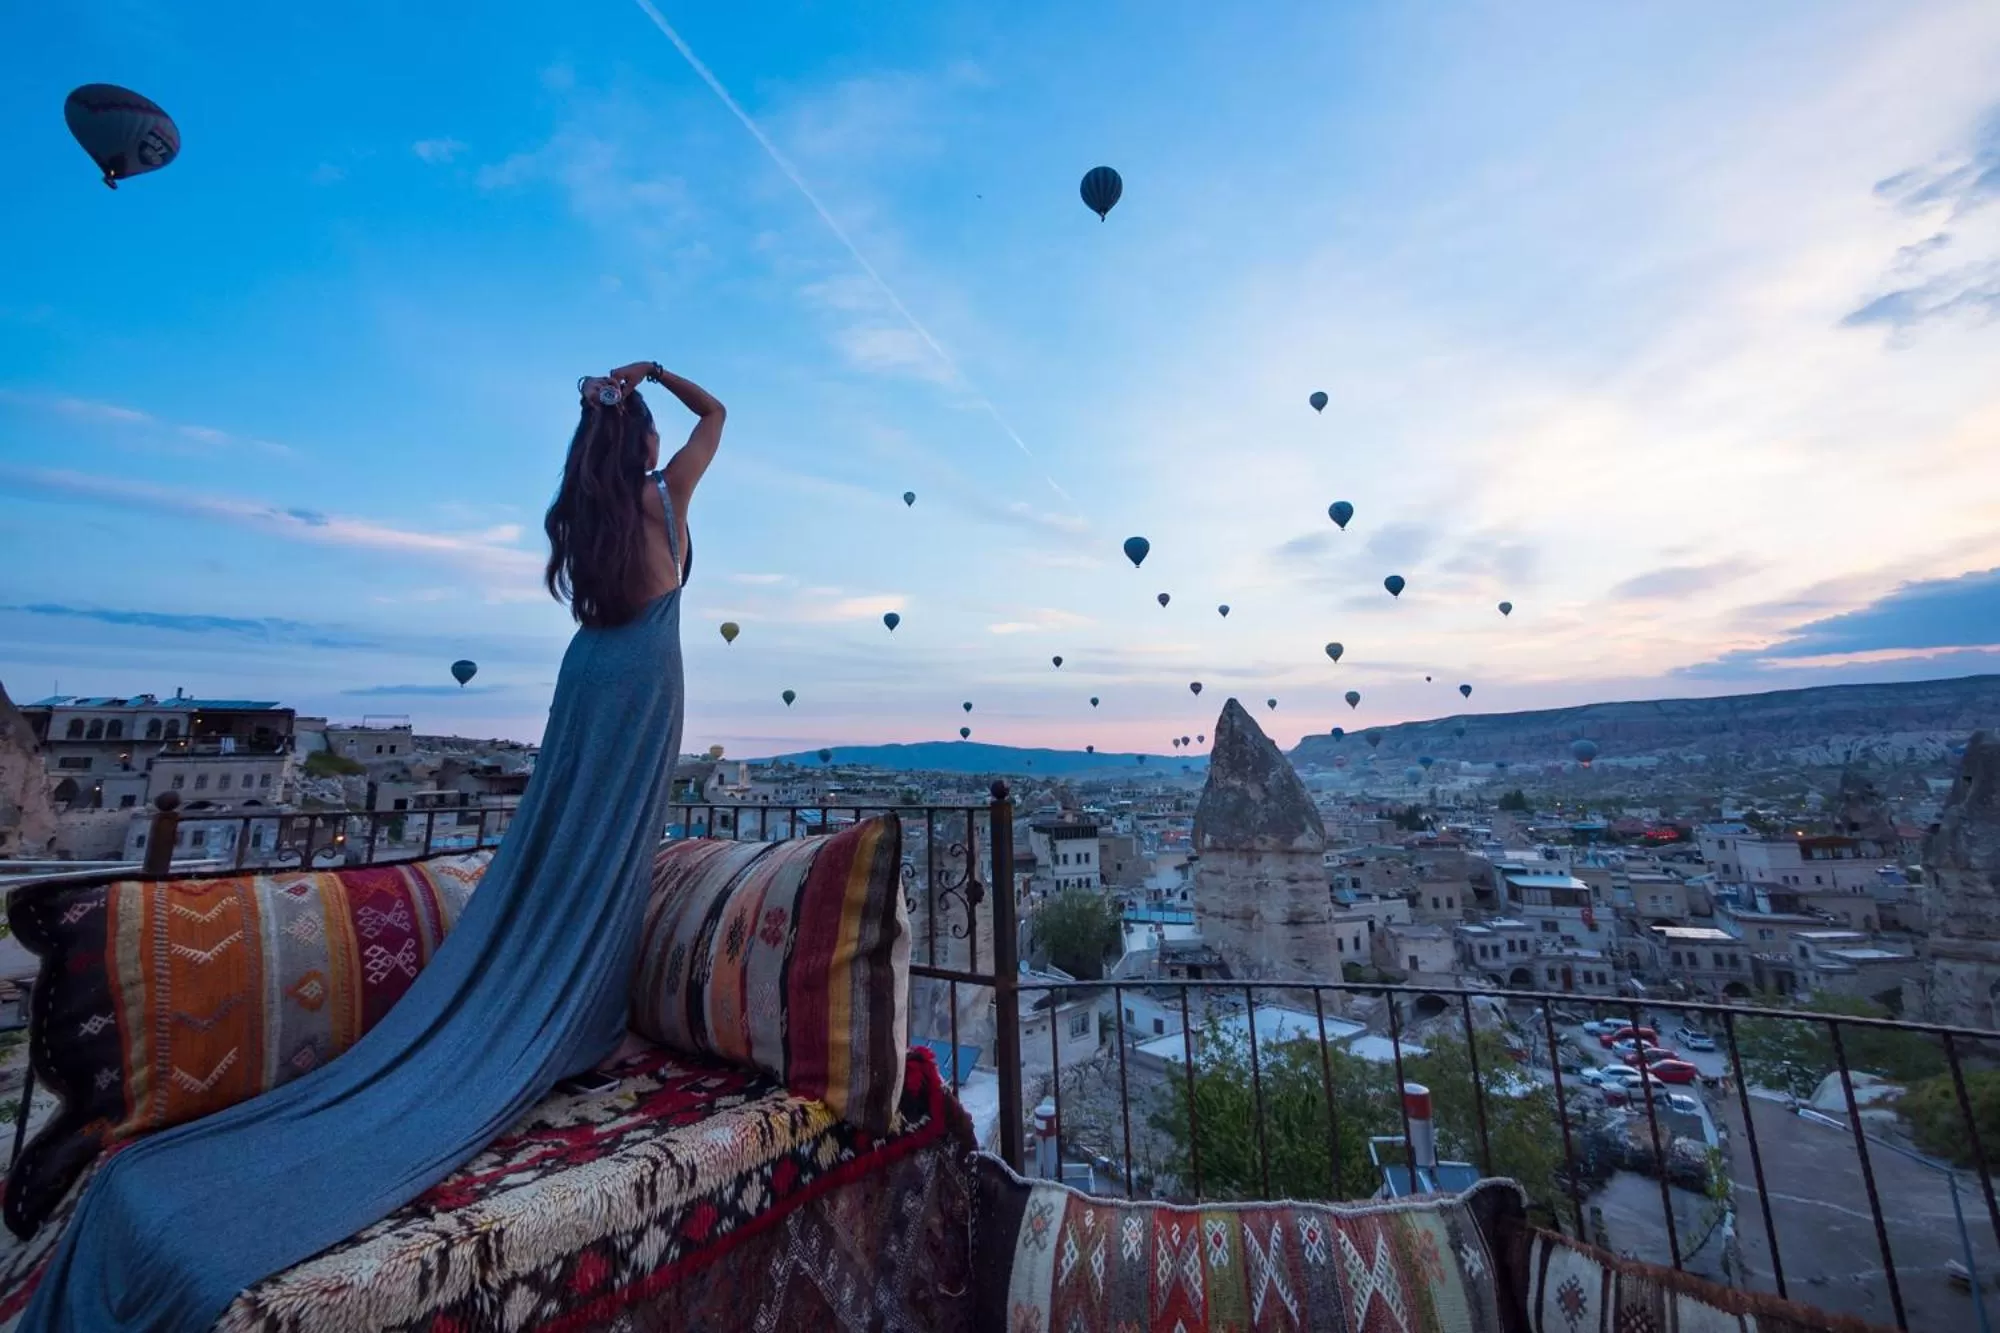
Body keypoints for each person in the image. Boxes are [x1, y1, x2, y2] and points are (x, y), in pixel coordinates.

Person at [21, 362, 725, 1331]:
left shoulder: (582, 512)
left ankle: (550, 989)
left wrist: (617, 394)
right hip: (647, 676)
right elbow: (718, 413)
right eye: (647, 429)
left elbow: (639, 457)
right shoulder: (664, 496)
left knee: (563, 834)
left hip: (591, 675)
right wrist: (655, 376)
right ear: (643, 441)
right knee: (615, 840)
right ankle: (580, 1008)